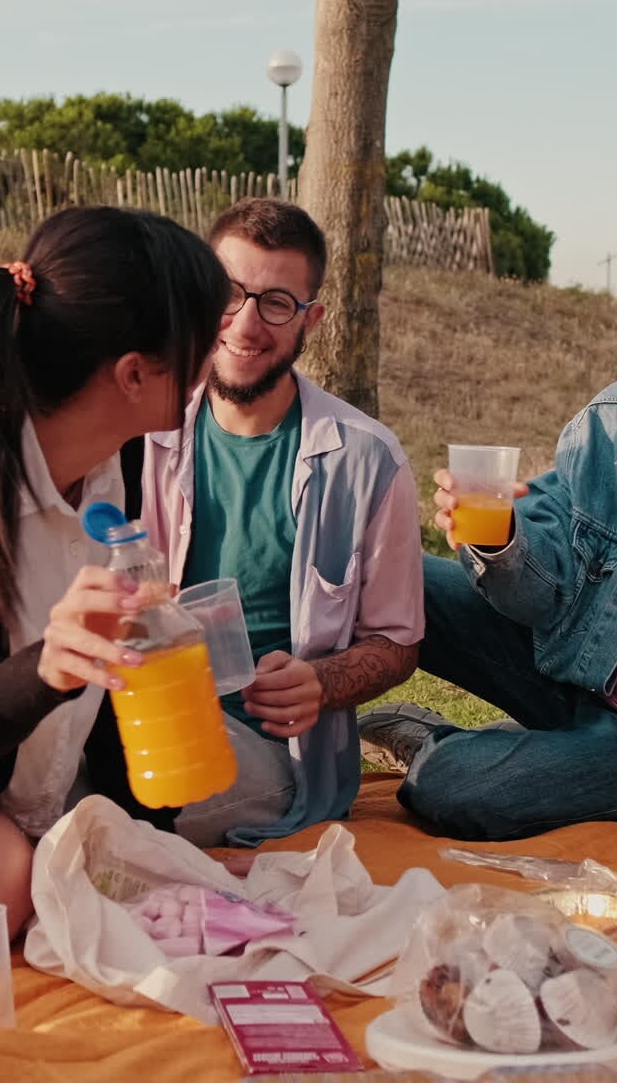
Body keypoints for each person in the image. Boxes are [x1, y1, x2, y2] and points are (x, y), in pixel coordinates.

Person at [0, 205, 229, 935]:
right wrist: (44, 669)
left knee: (221, 798)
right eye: (204, 340)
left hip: (35, 806)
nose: (218, 358)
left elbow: (120, 693)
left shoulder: (121, 459)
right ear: (135, 374)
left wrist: (162, 848)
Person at [142, 197, 424, 847]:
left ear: (311, 319)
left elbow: (397, 644)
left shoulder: (365, 459)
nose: (244, 324)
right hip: (137, 714)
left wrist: (321, 683)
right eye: (229, 293)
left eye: (275, 303)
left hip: (271, 754)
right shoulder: (142, 431)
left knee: (126, 809)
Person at [358, 379, 617, 840]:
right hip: (579, 661)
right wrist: (499, 536)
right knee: (381, 577)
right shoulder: (615, 419)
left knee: (448, 784)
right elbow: (542, 593)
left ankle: (469, 747)